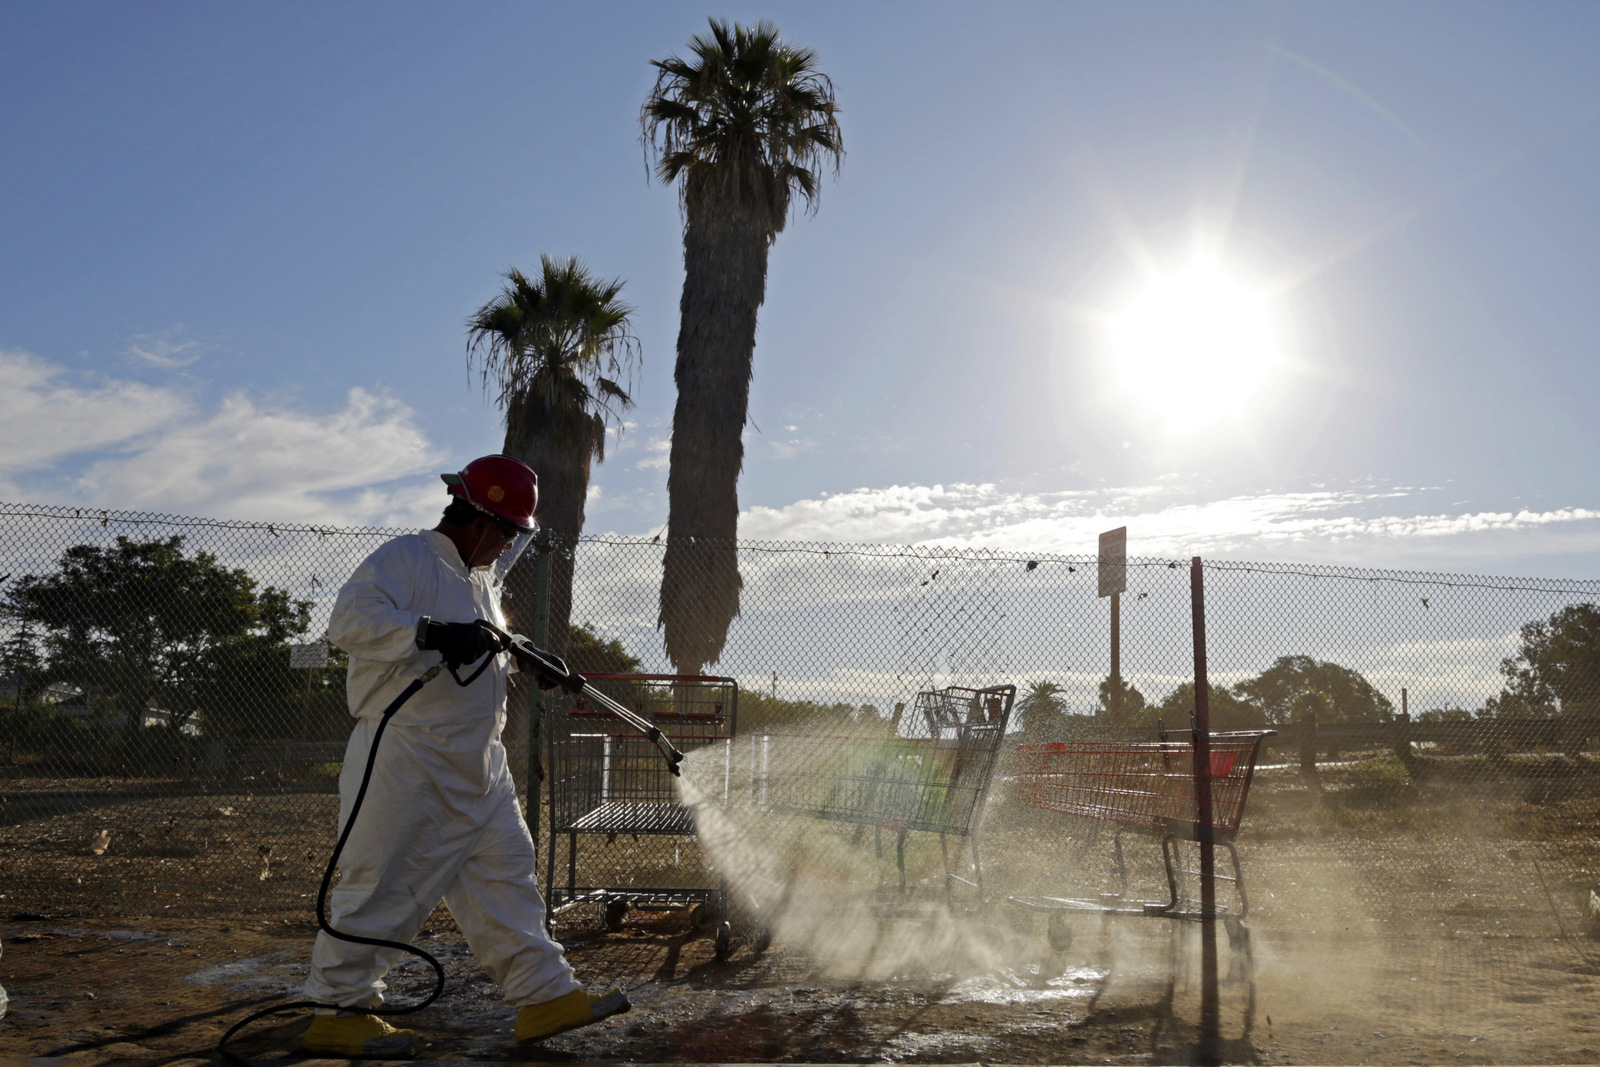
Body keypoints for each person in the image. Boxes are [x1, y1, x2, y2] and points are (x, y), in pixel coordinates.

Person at [300, 454, 629, 1057]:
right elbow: (349, 622)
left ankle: (545, 997)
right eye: (505, 534)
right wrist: (427, 633)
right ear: (478, 522)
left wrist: (529, 654)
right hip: (407, 760)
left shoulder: (479, 578)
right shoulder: (407, 558)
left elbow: (489, 634)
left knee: (507, 879)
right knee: (379, 885)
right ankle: (340, 1012)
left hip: (479, 763)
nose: (506, 548)